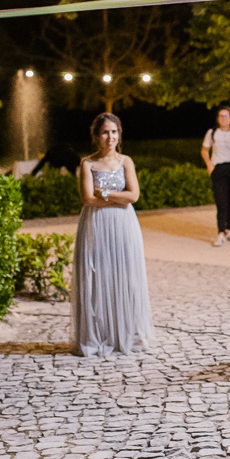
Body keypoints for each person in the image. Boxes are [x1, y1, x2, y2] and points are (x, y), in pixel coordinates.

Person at [71, 113, 155, 357]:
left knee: (125, 276)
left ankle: (127, 333)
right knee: (97, 277)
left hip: (124, 226)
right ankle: (100, 334)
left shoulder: (125, 161)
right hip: (96, 224)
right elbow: (87, 198)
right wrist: (119, 198)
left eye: (114, 132)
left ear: (120, 135)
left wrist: (106, 194)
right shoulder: (87, 163)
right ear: (97, 136)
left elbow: (134, 196)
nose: (110, 137)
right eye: (105, 132)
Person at [202, 105, 230, 247]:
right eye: (221, 116)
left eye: (226, 116)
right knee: (221, 202)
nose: (224, 119)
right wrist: (209, 165)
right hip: (219, 169)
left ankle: (229, 230)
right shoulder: (212, 133)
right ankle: (220, 233)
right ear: (217, 119)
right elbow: (205, 150)